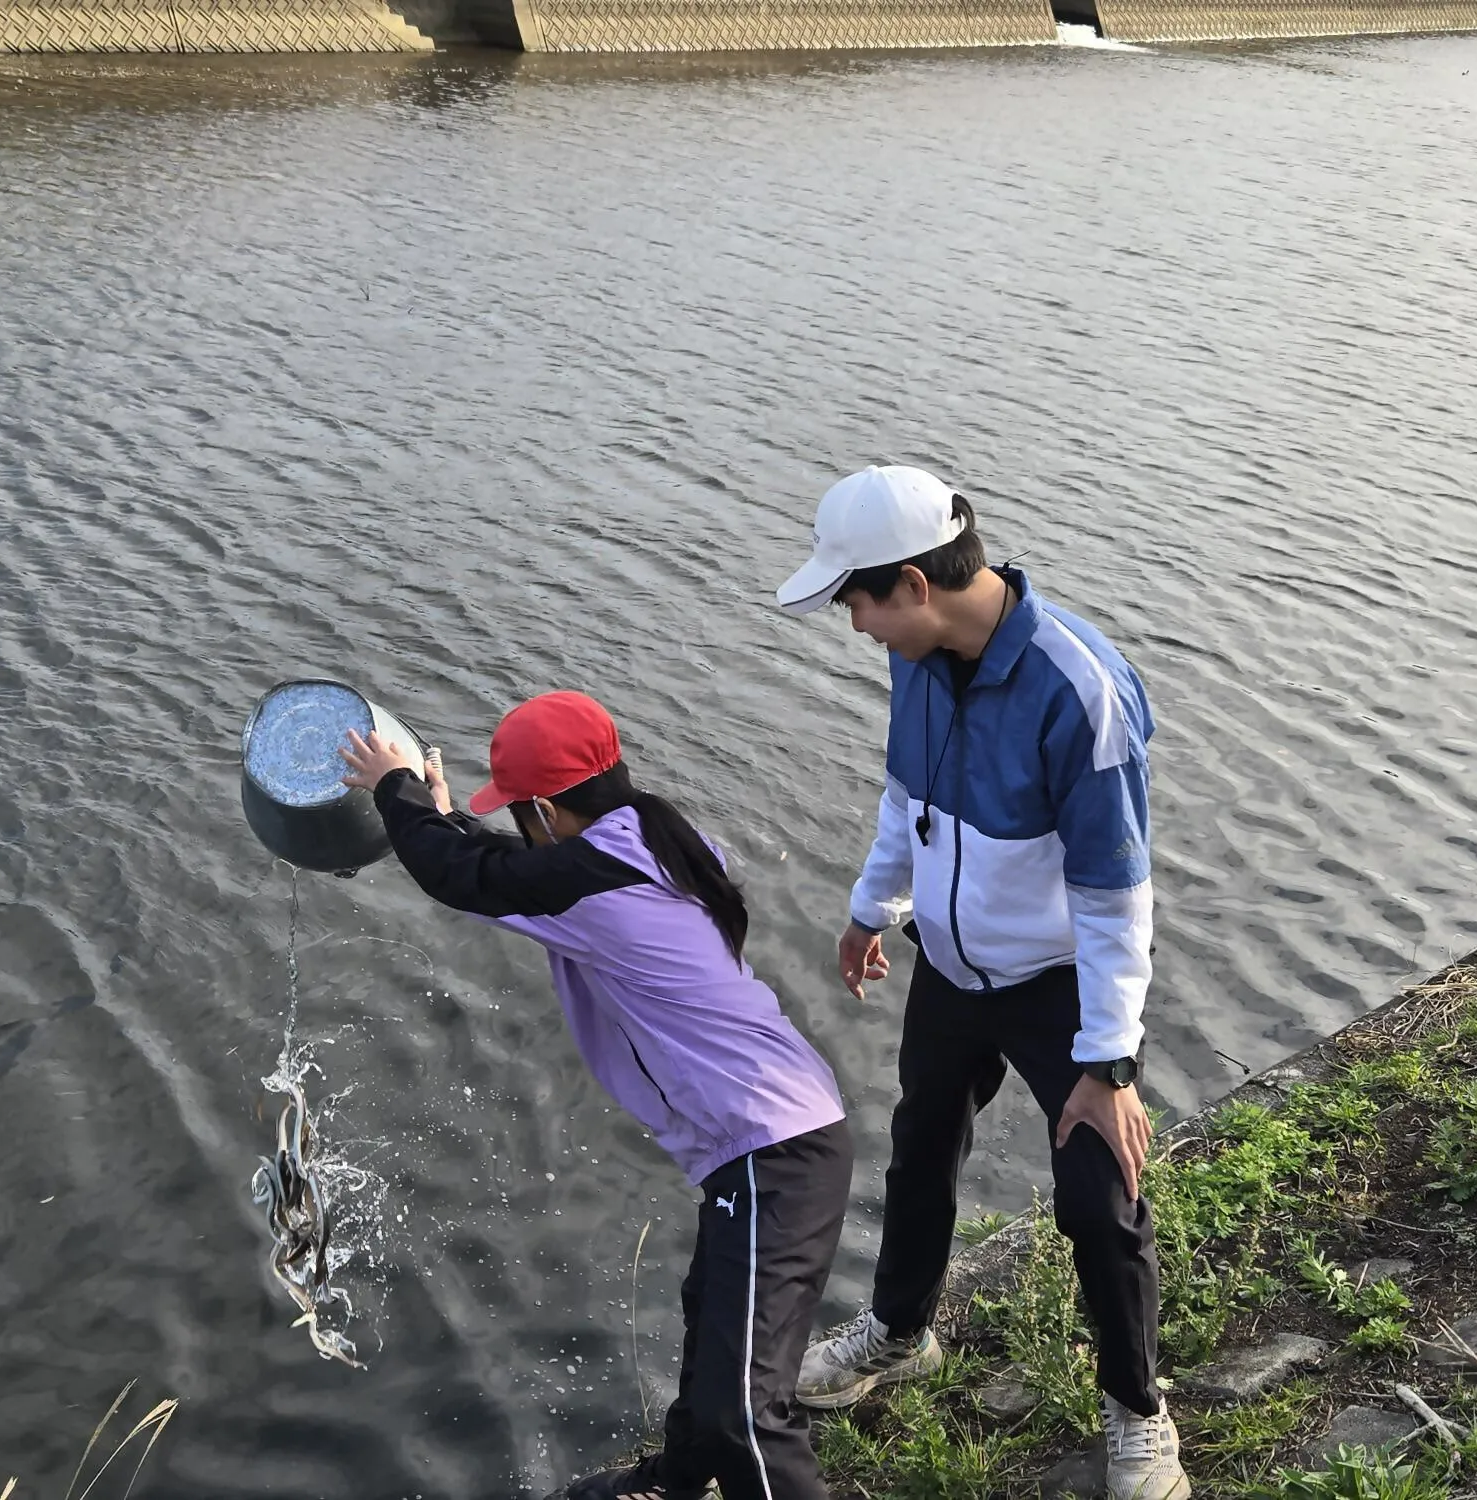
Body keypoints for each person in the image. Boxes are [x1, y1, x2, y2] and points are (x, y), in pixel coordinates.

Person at [772, 466, 1189, 1500]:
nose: (855, 625)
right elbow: (903, 796)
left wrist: (1109, 1060)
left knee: (1099, 1201)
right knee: (920, 1148)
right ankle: (901, 1333)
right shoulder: (919, 658)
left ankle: (1137, 1412)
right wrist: (871, 906)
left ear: (910, 585)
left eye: (855, 602)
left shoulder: (1078, 693)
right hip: (953, 966)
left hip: (1057, 985)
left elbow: (1113, 900)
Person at [338, 691, 852, 1500]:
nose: (520, 828)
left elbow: (464, 876)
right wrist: (443, 820)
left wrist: (396, 790)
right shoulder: (652, 839)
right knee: (711, 1332)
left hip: (773, 1149)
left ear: (545, 808)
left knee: (745, 1412)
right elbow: (512, 869)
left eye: (521, 814)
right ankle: (675, 1484)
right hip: (774, 1140)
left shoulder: (595, 883)